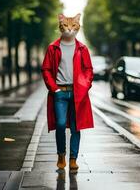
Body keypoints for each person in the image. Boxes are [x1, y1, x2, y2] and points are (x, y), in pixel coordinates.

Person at [41, 13, 94, 172]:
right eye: (66, 26)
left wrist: (84, 87)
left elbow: (89, 70)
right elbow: (46, 70)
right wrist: (54, 88)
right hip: (60, 93)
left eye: (74, 26)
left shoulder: (82, 48)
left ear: (78, 26)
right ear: (61, 26)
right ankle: (61, 155)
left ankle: (73, 159)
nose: (70, 29)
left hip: (78, 93)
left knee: (76, 126)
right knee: (60, 124)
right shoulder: (53, 47)